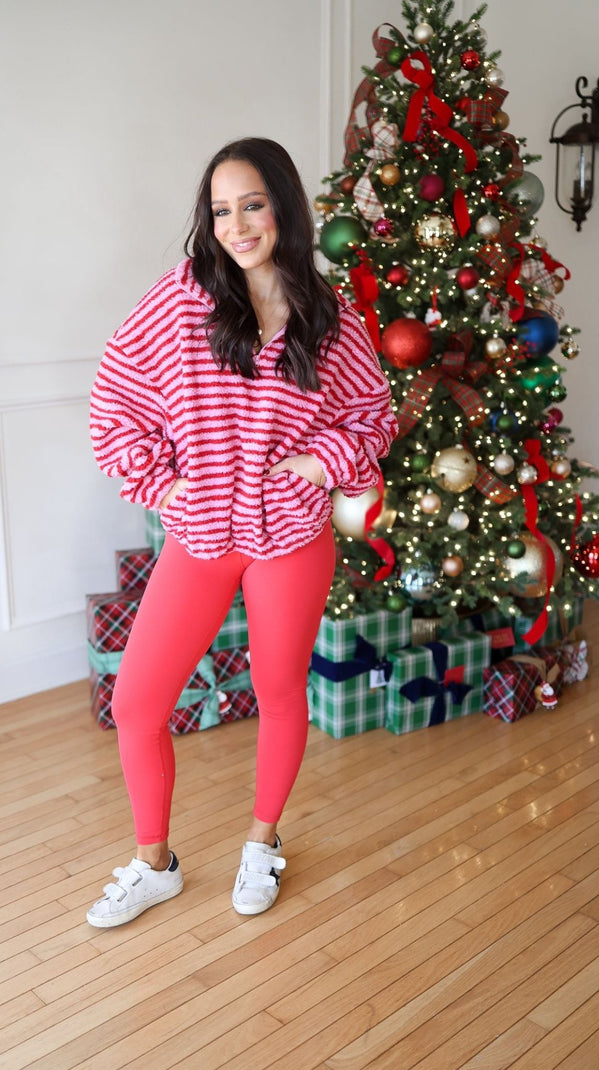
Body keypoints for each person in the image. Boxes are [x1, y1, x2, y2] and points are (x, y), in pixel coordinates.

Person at [86, 136, 397, 928]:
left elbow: (374, 417)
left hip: (290, 534)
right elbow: (113, 402)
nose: (236, 224)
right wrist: (163, 484)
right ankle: (155, 862)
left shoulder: (331, 318)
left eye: (251, 205)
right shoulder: (181, 301)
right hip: (202, 533)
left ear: (283, 208)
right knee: (138, 703)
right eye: (220, 210)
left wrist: (325, 463)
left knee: (279, 689)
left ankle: (263, 841)